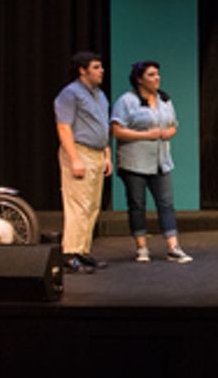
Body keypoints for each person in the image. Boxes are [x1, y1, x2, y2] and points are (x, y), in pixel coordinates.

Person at [111, 61, 192, 264]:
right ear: (139, 79)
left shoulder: (164, 99)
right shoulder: (127, 101)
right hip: (134, 161)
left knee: (166, 203)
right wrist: (146, 135)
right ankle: (141, 247)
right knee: (137, 204)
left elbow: (173, 125)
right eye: (151, 75)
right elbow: (116, 130)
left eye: (157, 74)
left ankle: (173, 247)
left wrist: (168, 133)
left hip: (161, 161)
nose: (157, 78)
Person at [54, 51, 112, 273]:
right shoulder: (70, 94)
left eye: (101, 66)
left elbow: (103, 126)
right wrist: (74, 159)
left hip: (97, 153)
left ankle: (82, 250)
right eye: (96, 67)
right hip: (79, 151)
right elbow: (63, 127)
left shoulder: (99, 95)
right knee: (78, 205)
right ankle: (69, 254)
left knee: (92, 206)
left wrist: (107, 155)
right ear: (82, 70)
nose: (101, 71)